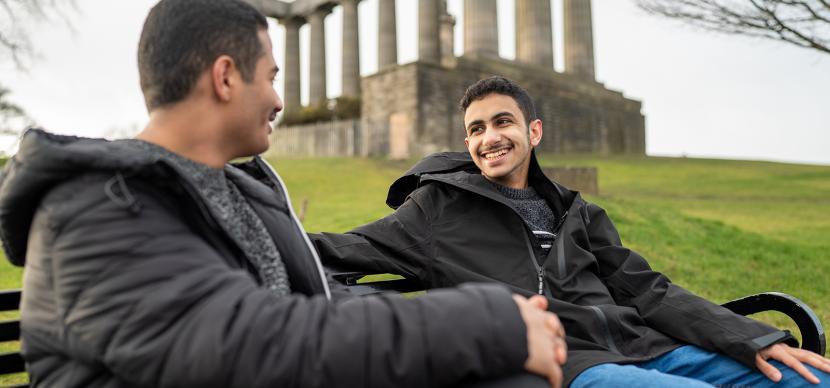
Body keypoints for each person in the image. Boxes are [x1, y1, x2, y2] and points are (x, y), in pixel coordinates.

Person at [0, 2, 568, 387]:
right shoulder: (96, 211)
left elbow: (314, 301)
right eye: (271, 77)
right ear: (225, 78)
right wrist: (487, 320)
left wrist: (493, 326)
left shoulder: (227, 192)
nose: (279, 100)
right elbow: (261, 346)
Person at [312, 76, 830, 387]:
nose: (490, 138)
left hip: (647, 346)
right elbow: (333, 253)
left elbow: (649, 290)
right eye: (476, 129)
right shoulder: (436, 209)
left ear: (533, 131)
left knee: (809, 378)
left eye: (503, 122)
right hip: (569, 365)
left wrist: (750, 338)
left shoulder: (579, 212)